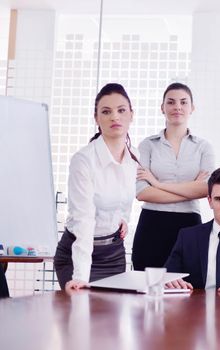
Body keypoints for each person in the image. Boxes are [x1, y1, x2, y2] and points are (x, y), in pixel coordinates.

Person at [54, 83, 139, 291]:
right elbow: (83, 220)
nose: (115, 117)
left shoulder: (135, 158)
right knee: (81, 318)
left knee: (112, 322)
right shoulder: (83, 160)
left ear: (131, 115)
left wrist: (122, 219)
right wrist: (81, 276)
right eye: (106, 111)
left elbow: (125, 199)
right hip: (78, 253)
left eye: (121, 110)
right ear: (96, 118)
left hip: (114, 254)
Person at [132, 83, 215, 270]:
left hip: (189, 224)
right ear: (162, 108)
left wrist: (157, 184)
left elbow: (206, 189)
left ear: (192, 108)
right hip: (152, 223)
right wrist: (191, 188)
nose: (177, 107)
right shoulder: (147, 145)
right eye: (171, 102)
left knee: (188, 287)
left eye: (183, 102)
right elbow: (142, 192)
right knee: (147, 285)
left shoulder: (204, 147)